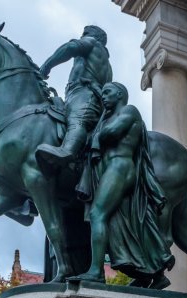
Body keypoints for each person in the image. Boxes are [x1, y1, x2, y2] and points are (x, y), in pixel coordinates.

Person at [74, 82, 173, 286]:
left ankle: (96, 272)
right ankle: (151, 274)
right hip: (112, 170)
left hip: (121, 167)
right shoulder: (108, 116)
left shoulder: (129, 111)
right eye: (102, 93)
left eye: (107, 92)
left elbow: (112, 133)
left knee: (97, 214)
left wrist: (98, 132)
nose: (104, 97)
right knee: (120, 223)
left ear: (120, 94)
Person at [35, 25, 113, 170]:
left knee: (77, 119)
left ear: (91, 35)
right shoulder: (104, 59)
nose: (82, 37)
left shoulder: (93, 43)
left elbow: (70, 47)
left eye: (84, 34)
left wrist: (46, 66)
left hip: (86, 93)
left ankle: (68, 150)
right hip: (78, 93)